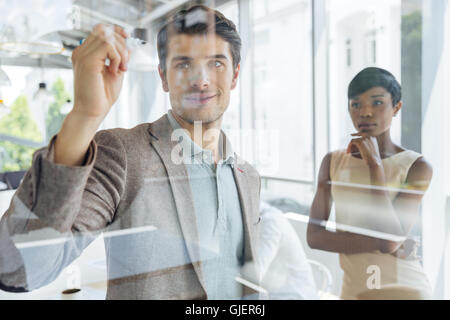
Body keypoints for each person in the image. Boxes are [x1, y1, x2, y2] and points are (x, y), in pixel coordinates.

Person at [0, 5, 262, 300]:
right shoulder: (122, 155)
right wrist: (84, 117)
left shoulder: (248, 177)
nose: (201, 80)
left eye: (216, 63)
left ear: (235, 75)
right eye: (184, 64)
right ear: (163, 77)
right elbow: (16, 270)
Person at [307, 67, 433, 300]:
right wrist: (384, 240)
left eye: (377, 103)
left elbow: (389, 241)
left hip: (405, 288)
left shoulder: (417, 166)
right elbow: (314, 237)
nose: (365, 112)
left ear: (396, 107)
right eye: (356, 104)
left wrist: (375, 166)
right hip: (354, 289)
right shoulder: (332, 162)